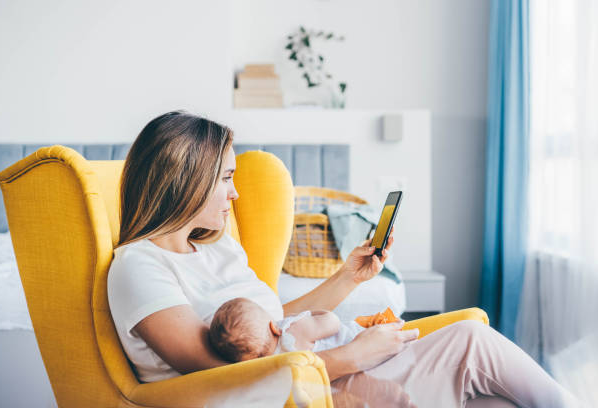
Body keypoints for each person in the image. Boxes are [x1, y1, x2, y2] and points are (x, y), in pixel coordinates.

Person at [107, 110, 581, 407]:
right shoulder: (139, 266)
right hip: (298, 391)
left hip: (318, 368)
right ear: (186, 180)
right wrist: (349, 356)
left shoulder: (215, 245)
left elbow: (275, 321)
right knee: (472, 342)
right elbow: (222, 374)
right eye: (226, 178)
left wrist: (347, 279)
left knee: (494, 400)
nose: (234, 193)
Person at [208, 297, 404, 363]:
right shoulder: (293, 330)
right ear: (273, 326)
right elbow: (333, 323)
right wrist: (313, 313)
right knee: (367, 323)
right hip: (358, 342)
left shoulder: (267, 365)